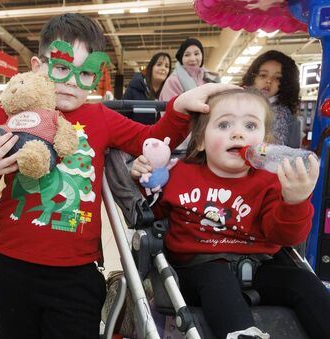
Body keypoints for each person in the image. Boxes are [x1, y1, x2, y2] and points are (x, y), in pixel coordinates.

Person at [0, 12, 237, 339]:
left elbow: (151, 140)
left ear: (98, 76)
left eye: (85, 73)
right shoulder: (13, 111)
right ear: (38, 66)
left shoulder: (101, 118)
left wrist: (179, 108)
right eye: (61, 68)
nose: (70, 82)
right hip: (11, 265)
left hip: (76, 275)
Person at [131, 88, 330, 339]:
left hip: (258, 268)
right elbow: (154, 211)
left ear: (264, 142)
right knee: (217, 278)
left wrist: (296, 200)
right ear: (201, 139)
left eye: (250, 125)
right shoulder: (181, 173)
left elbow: (285, 236)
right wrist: (145, 178)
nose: (238, 133)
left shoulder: (271, 182)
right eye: (224, 125)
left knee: (304, 283)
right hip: (197, 270)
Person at [241, 50, 302, 148]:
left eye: (277, 78)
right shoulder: (235, 105)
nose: (269, 81)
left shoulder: (289, 119)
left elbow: (293, 154)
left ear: (285, 83)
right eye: (263, 75)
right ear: (253, 77)